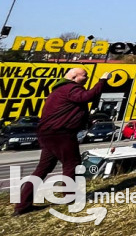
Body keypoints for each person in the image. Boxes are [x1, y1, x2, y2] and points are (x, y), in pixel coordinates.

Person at [13, 68, 109, 215]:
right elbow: (87, 96)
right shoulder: (70, 88)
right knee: (72, 164)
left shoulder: (59, 90)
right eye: (85, 75)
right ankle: (70, 197)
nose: (87, 77)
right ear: (74, 76)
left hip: (48, 134)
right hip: (61, 133)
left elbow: (73, 108)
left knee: (42, 169)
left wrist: (85, 121)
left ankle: (22, 205)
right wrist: (102, 80)